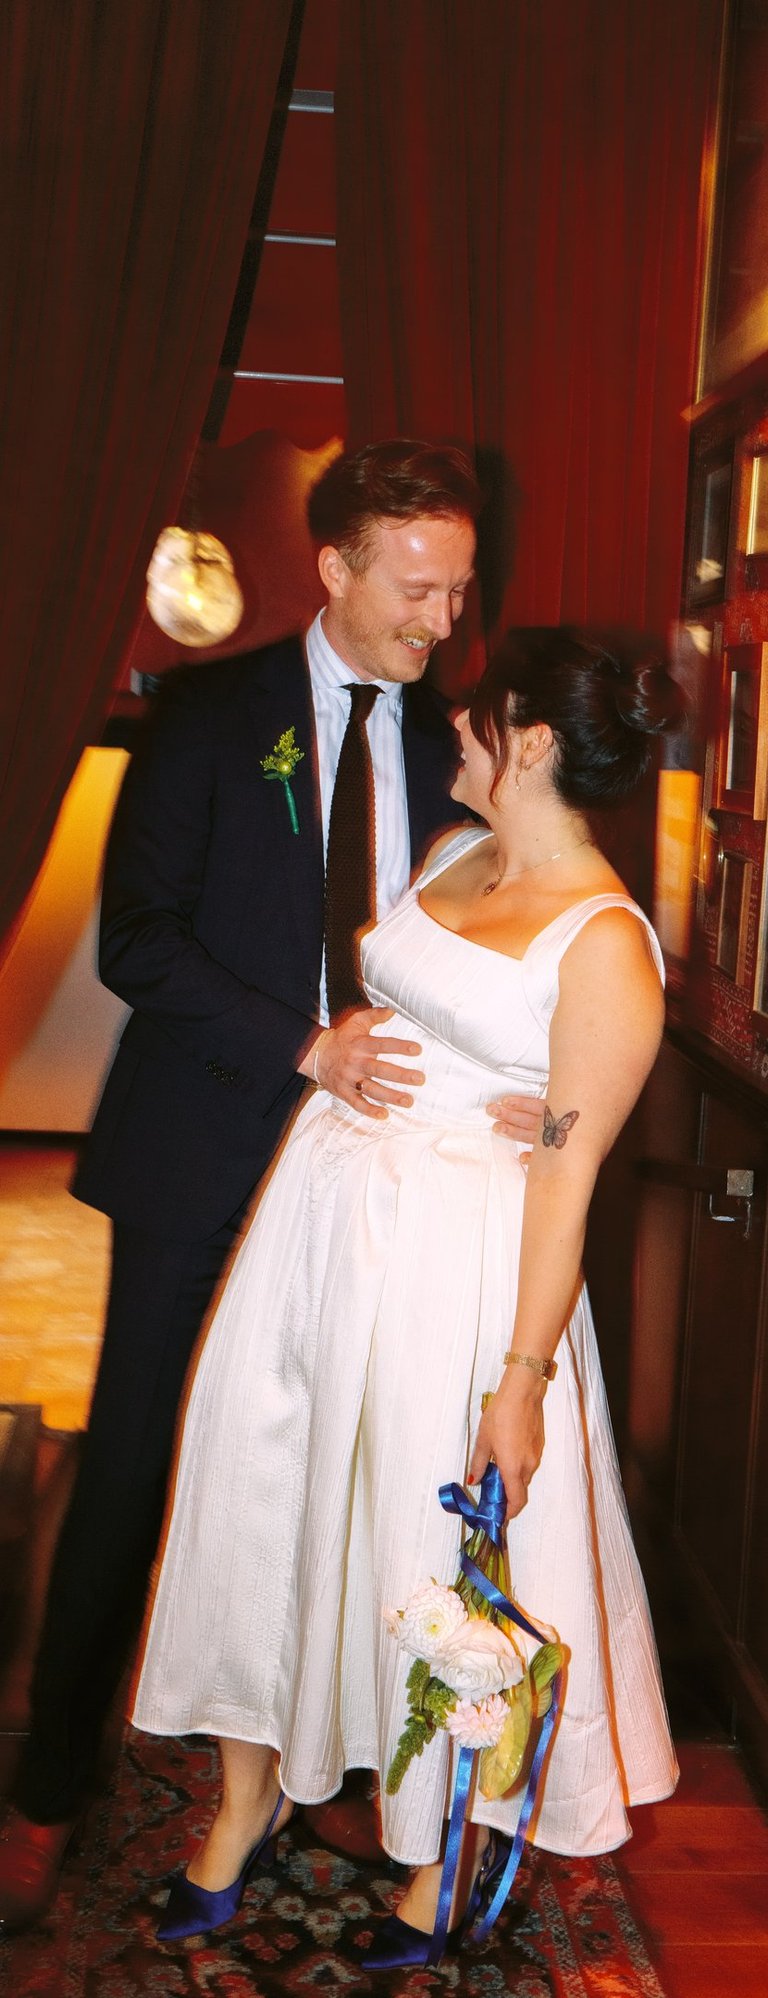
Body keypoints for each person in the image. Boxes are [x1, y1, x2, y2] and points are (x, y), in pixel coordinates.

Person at [0, 440, 542, 1933]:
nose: (442, 618)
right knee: (134, 1464)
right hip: (204, 1144)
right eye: (416, 587)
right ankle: (49, 1785)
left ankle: (333, 1764)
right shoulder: (206, 714)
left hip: (381, 1176)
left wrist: (514, 1078)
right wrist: (307, 1047)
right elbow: (139, 939)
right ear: (336, 568)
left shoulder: (459, 745)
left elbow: (490, 940)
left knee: (348, 1473)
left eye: (459, 589)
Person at [132, 624, 681, 1970]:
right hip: (319, 1226)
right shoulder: (450, 853)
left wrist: (520, 1381)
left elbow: (567, 1177)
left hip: (457, 1271)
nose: (459, 727)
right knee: (266, 1497)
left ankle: (440, 1847)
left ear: (530, 743)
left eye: (484, 716)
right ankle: (250, 1793)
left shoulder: (607, 945)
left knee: (421, 1550)